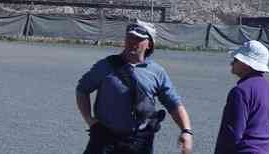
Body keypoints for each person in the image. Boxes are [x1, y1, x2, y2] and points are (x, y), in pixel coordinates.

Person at [76, 22, 194, 154]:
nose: (132, 42)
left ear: (149, 44)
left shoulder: (156, 72)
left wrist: (186, 131)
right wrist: (89, 120)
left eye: (138, 39)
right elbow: (82, 90)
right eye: (129, 37)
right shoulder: (106, 65)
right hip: (104, 139)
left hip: (139, 142)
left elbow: (174, 103)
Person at [216, 41, 269, 154]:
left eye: (236, 60)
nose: (231, 63)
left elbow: (232, 133)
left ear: (246, 64)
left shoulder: (240, 91)